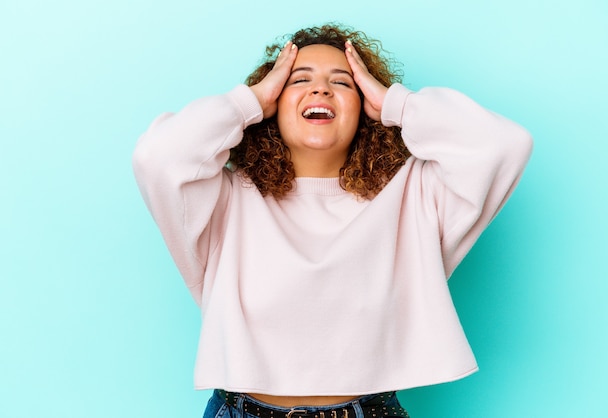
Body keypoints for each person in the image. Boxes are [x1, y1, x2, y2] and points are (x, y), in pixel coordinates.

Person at [132, 24, 533, 418]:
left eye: (343, 82)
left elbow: (504, 146)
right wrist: (247, 103)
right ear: (271, 105)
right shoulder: (226, 200)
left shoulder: (414, 197)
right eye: (297, 80)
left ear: (365, 108)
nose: (321, 89)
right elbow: (159, 158)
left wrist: (398, 105)